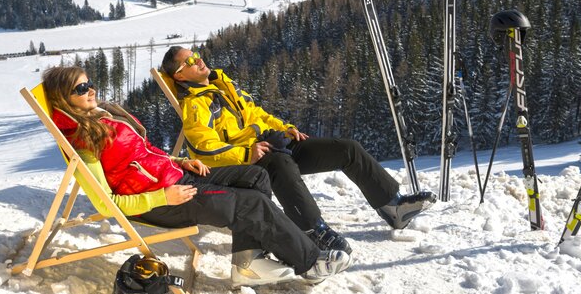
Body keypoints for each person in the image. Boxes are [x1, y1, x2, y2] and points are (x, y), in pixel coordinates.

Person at [41, 66, 350, 288]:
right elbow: (106, 204)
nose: (91, 89)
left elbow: (144, 153)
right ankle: (310, 263)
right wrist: (164, 197)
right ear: (63, 99)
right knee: (251, 205)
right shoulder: (83, 143)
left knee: (256, 177)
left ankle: (248, 260)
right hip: (163, 201)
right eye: (81, 88)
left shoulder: (101, 120)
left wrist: (179, 161)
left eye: (90, 83)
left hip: (176, 178)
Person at [160, 47, 436, 255]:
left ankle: (393, 206)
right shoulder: (195, 106)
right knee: (281, 164)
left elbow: (256, 113)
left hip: (273, 141)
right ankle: (313, 230)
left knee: (347, 149)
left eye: (196, 54)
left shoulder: (221, 84)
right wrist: (245, 154)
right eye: (190, 61)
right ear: (179, 75)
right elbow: (202, 148)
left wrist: (286, 127)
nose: (199, 60)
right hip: (250, 156)